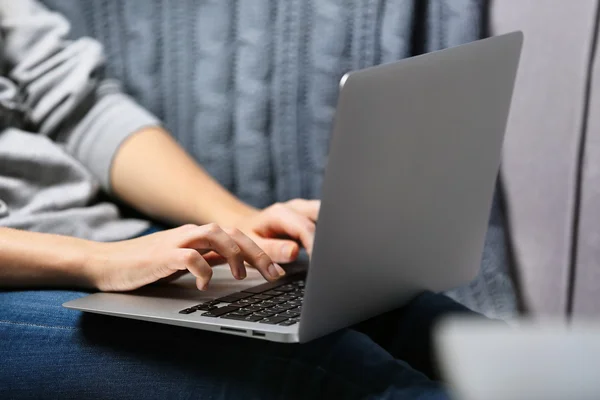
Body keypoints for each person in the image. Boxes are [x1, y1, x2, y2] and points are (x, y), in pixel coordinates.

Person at [0, 1, 479, 399]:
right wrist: (95, 262)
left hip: (106, 240)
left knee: (402, 312)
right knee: (317, 366)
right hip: (38, 277)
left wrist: (238, 221)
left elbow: (78, 107)